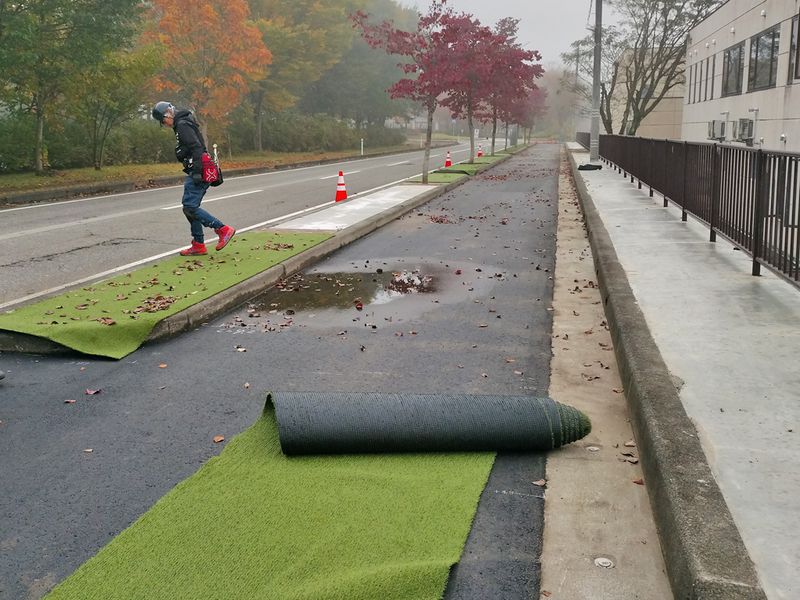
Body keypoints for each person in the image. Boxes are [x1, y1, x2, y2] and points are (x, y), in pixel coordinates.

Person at [151, 101, 235, 256]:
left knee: (190, 206)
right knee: (189, 207)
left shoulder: (182, 124)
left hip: (199, 169)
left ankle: (223, 230)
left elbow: (196, 147)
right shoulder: (184, 122)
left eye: (163, 121)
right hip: (199, 168)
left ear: (167, 114)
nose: (165, 124)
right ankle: (198, 244)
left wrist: (196, 171)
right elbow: (191, 146)